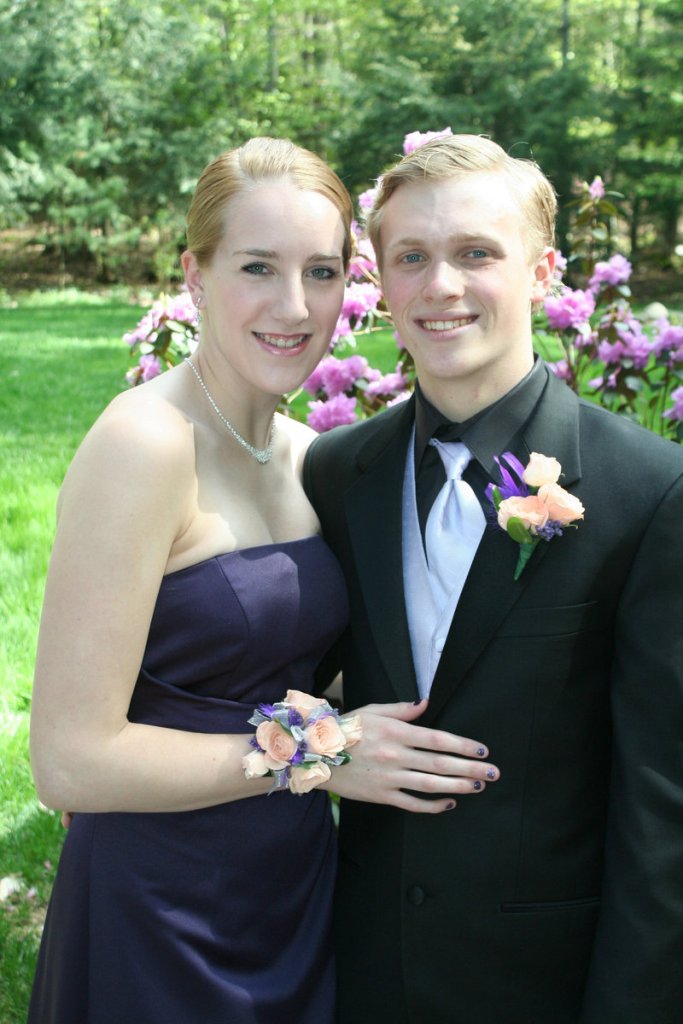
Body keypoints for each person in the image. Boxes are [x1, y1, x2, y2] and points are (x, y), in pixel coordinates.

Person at [28, 137, 499, 1024]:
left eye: (322, 272)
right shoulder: (144, 445)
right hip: (162, 909)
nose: (294, 307)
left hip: (289, 890)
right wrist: (321, 756)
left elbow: (311, 667)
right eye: (257, 267)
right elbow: (68, 760)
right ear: (195, 275)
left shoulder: (307, 458)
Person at [304, 134, 683, 1024]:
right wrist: (319, 751)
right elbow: (292, 673)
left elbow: (660, 819)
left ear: (543, 271)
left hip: (545, 986)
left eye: (476, 253)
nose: (441, 286)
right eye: (412, 258)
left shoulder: (647, 491)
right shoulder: (334, 472)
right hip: (361, 973)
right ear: (381, 282)